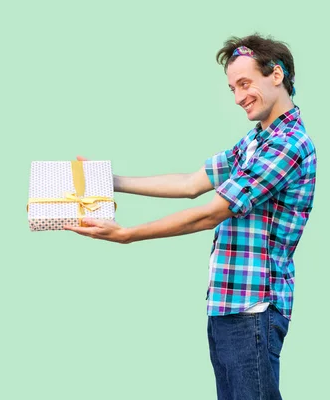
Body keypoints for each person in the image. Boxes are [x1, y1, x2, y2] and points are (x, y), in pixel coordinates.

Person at [64, 33, 317, 400]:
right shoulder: (255, 140)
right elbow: (189, 183)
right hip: (228, 305)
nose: (238, 97)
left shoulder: (288, 144)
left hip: (254, 307)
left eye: (245, 83)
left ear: (276, 75)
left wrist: (128, 234)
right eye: (232, 88)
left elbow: (209, 214)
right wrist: (107, 181)